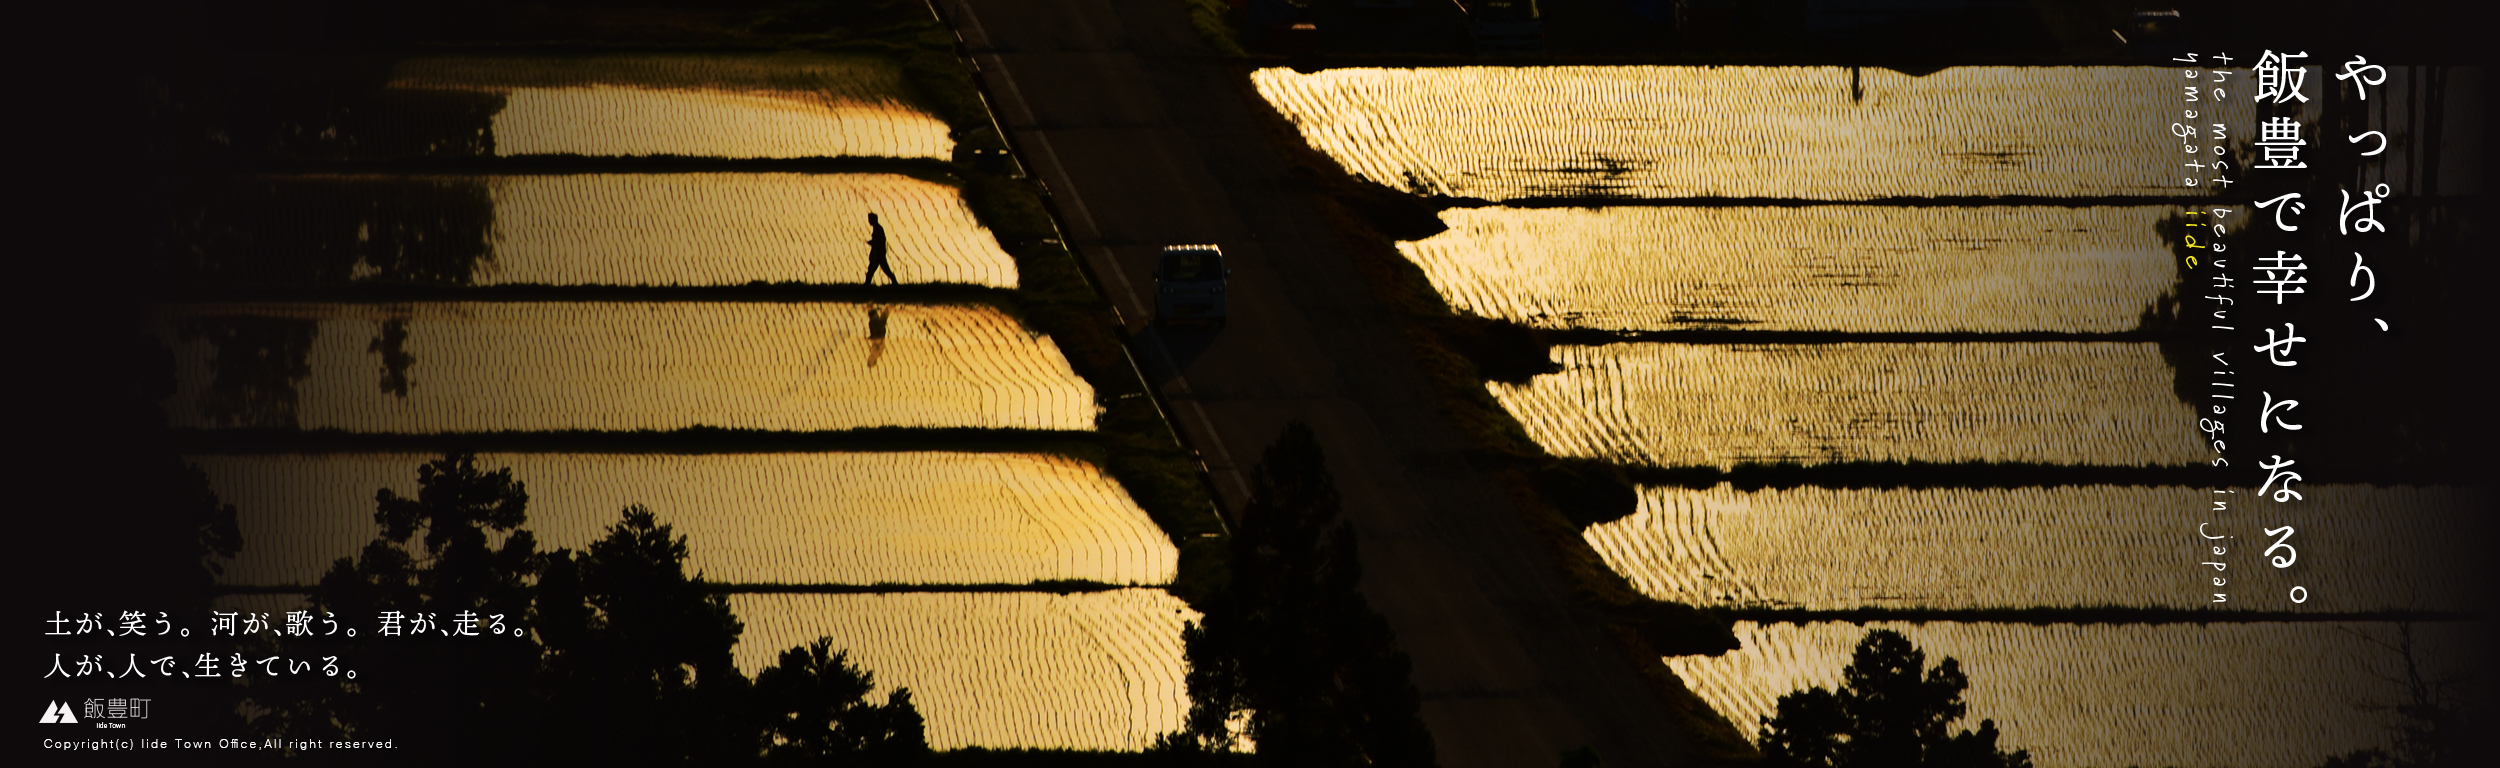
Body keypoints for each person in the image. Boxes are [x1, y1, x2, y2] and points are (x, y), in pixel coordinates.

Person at [863, 212, 896, 285]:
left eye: (870, 219)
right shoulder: (877, 228)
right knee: (883, 269)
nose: (869, 221)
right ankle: (894, 282)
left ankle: (866, 285)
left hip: (878, 253)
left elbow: (879, 241)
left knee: (872, 269)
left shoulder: (878, 229)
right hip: (879, 252)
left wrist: (872, 242)